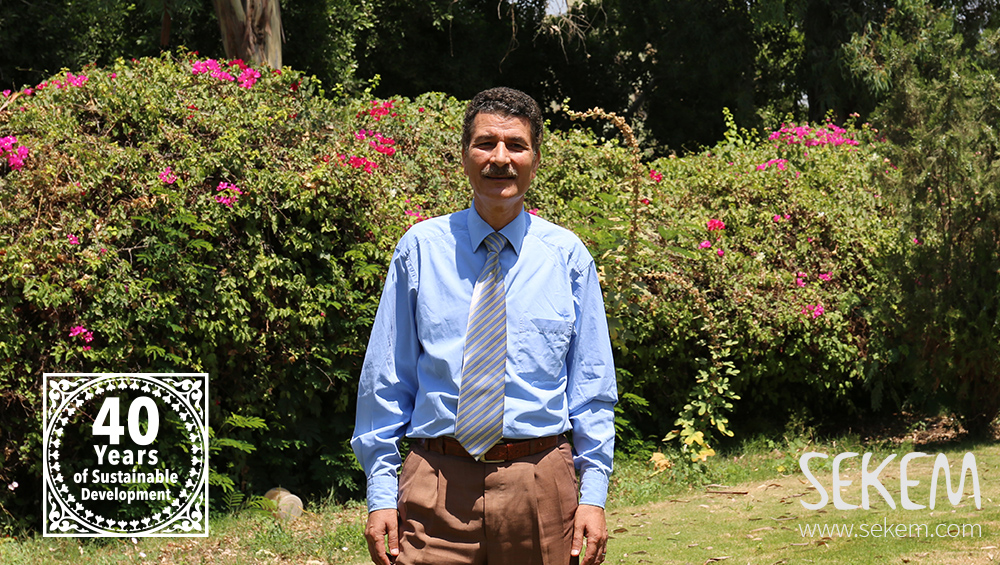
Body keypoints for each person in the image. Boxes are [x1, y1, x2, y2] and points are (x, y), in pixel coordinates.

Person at [351, 86, 617, 565]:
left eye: (516, 145)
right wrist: (381, 495)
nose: (500, 158)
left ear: (536, 159)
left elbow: (592, 390)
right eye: (485, 143)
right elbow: (385, 382)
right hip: (434, 489)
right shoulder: (420, 250)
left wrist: (594, 495)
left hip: (542, 488)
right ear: (464, 156)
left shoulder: (567, 258)